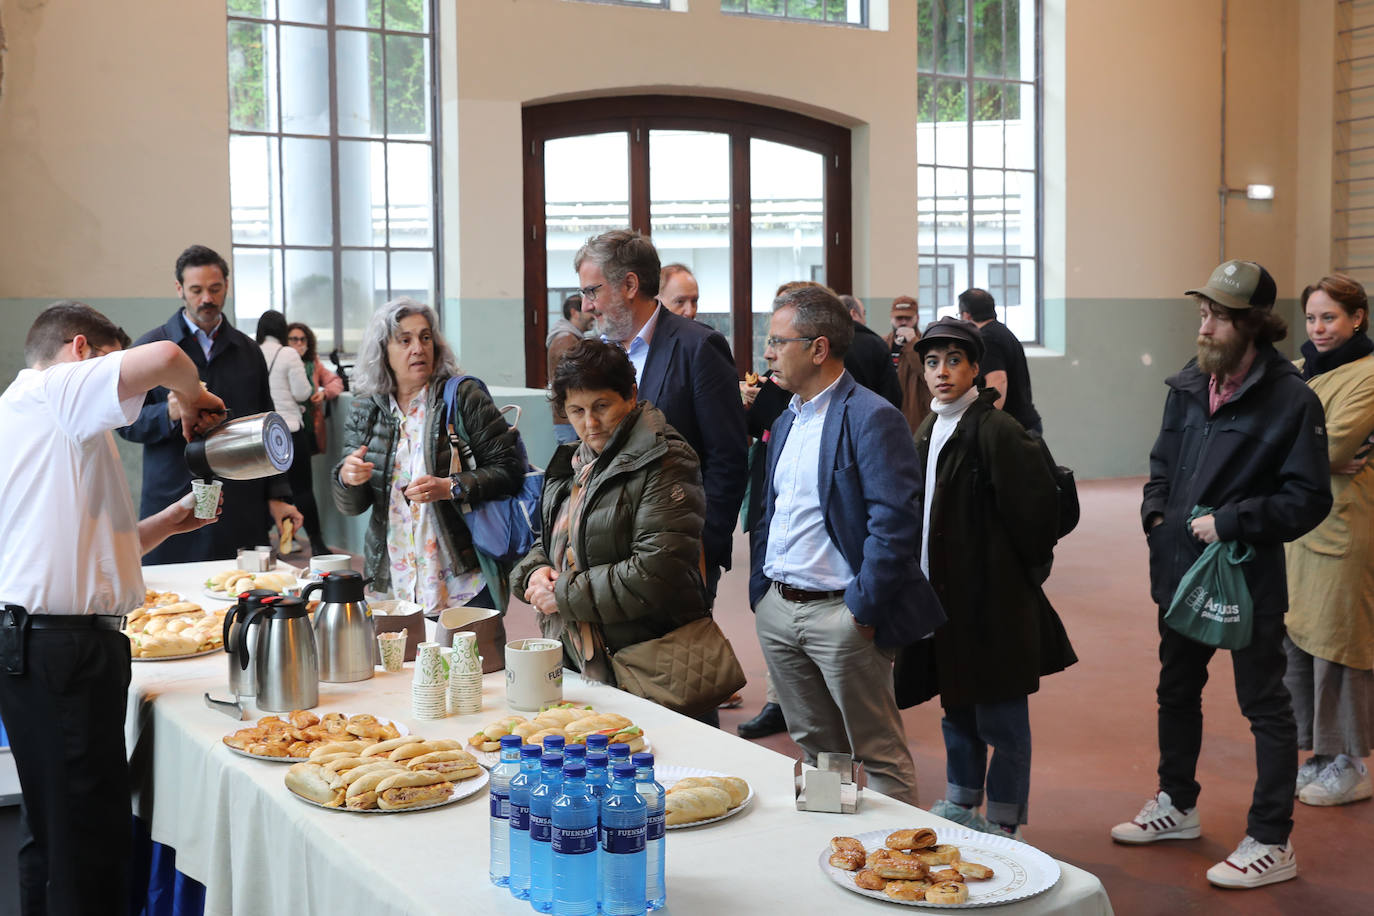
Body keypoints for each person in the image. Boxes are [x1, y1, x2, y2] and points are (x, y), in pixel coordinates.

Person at [1112, 260, 1332, 890]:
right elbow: (1161, 463)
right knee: (1176, 690)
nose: (1203, 325)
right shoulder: (1187, 385)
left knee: (1264, 704)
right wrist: (1157, 515)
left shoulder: (1292, 401)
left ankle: (1271, 840)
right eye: (1203, 313)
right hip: (1179, 572)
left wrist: (1234, 522)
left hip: (1244, 577)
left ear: (1253, 326)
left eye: (1217, 316)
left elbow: (1308, 498)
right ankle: (1177, 804)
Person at [0, 301, 225, 916]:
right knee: (87, 840)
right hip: (63, 651)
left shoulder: (25, 415)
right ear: (81, 350)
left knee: (53, 832)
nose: (123, 393)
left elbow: (79, 550)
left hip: (41, 645)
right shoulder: (58, 389)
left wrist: (169, 524)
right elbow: (169, 357)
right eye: (111, 364)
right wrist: (189, 397)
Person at [749, 284, 944, 806]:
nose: (767, 353)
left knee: (877, 752)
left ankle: (897, 864)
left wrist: (862, 609)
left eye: (777, 341)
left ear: (818, 348)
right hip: (780, 609)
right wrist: (762, 595)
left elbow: (895, 524)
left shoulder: (871, 416)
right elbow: (769, 512)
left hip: (842, 615)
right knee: (816, 749)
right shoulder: (786, 417)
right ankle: (832, 852)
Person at [908, 317, 1077, 840]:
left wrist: (1011, 578)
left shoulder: (997, 430)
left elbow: (1038, 514)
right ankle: (962, 799)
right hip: (945, 598)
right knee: (956, 702)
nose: (942, 373)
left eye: (954, 361)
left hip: (994, 601)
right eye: (933, 362)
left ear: (976, 369)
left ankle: (1003, 816)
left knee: (1001, 716)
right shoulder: (929, 428)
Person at [511, 340, 709, 694]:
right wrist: (534, 573)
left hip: (648, 660)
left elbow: (658, 571)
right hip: (581, 653)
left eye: (602, 406)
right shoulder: (575, 461)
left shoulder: (666, 459)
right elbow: (550, 540)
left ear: (630, 395)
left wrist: (563, 594)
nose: (590, 423)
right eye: (576, 411)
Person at [332, 297, 524, 649]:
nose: (417, 349)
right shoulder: (366, 407)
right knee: (403, 684)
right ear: (383, 351)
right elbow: (351, 504)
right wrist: (348, 478)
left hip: (460, 577)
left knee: (473, 683)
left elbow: (509, 470)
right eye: (404, 340)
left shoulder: (462, 396)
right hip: (394, 579)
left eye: (424, 338)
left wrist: (451, 486)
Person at [574, 230, 747, 609]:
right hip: (605, 552)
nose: (586, 306)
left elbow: (728, 458)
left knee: (671, 663)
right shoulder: (596, 353)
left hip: (677, 553)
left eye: (592, 291)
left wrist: (703, 547)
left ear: (630, 285)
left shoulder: (698, 347)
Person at [118, 244, 302, 563]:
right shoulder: (151, 349)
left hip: (239, 500)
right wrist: (169, 412)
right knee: (170, 605)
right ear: (180, 290)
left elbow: (267, 426)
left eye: (215, 289)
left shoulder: (247, 351)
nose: (207, 298)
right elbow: (125, 423)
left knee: (242, 595)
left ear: (226, 287)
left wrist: (278, 495)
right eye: (197, 290)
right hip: (172, 497)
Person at [1285, 275, 1374, 807]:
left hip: (1345, 530)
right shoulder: (1296, 373)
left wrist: (1304, 453)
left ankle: (1352, 762)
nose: (1318, 328)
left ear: (1357, 318)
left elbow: (1336, 440)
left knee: (1340, 644)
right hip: (1297, 532)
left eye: (1330, 318)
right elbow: (1260, 433)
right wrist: (1313, 456)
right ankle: (1317, 753)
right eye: (1312, 318)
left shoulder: (1368, 375)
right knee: (1299, 641)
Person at [256, 310, 327, 557]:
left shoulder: (252, 352)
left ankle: (262, 545)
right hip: (290, 432)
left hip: (260, 435)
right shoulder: (288, 354)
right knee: (302, 489)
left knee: (264, 491)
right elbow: (302, 392)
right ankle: (317, 544)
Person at [958, 288, 1043, 434]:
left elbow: (998, 381)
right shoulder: (1002, 332)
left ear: (966, 315)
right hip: (1023, 423)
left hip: (1013, 428)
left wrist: (986, 425)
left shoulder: (988, 338)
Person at [287, 321, 344, 457]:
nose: (299, 343)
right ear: (286, 341)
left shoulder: (314, 364)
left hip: (310, 424)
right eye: (294, 339)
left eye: (302, 339)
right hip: (288, 423)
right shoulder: (281, 362)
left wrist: (324, 394)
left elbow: (336, 382)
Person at [838, 293, 902, 408]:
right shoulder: (877, 344)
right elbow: (892, 394)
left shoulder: (826, 344)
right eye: (864, 313)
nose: (865, 320)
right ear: (853, 314)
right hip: (872, 414)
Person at [547, 294, 593, 445]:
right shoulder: (566, 340)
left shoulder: (571, 337)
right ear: (574, 312)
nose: (593, 316)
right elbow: (573, 382)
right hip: (570, 421)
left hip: (571, 418)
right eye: (588, 312)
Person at [885, 296, 931, 433]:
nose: (903, 322)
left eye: (908, 318)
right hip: (887, 411)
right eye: (899, 318)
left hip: (915, 414)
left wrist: (912, 344)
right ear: (891, 319)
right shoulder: (882, 344)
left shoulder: (926, 344)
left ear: (916, 318)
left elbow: (927, 375)